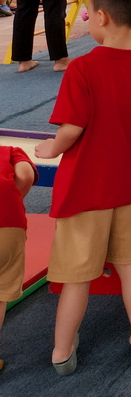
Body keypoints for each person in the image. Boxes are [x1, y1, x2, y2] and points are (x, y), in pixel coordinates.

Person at [31, 0, 131, 375]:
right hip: (130, 187)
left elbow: (72, 127)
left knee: (76, 277)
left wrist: (51, 148)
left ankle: (61, 352)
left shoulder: (83, 69)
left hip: (85, 191)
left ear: (103, 17)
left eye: (88, 14)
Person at [0, 135, 37, 371]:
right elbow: (25, 176)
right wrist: (15, 198)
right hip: (8, 225)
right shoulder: (10, 152)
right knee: (1, 291)